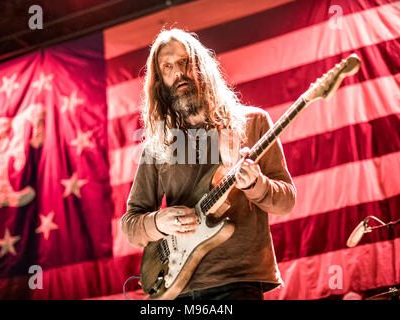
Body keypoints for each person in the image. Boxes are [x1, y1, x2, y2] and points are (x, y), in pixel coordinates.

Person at [120, 28, 296, 300]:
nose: (178, 72)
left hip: (237, 280)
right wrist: (159, 222)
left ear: (202, 65)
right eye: (167, 67)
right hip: (175, 287)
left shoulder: (251, 123)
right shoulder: (157, 146)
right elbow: (131, 225)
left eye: (184, 61)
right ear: (160, 83)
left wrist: (256, 185)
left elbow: (286, 201)